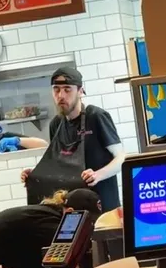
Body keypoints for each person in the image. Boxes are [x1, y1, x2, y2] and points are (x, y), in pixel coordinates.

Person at [21, 67, 124, 211]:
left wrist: (98, 175)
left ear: (80, 91)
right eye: (56, 89)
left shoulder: (96, 116)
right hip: (73, 209)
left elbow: (121, 159)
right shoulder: (56, 124)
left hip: (104, 206)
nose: (61, 95)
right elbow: (59, 168)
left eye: (67, 89)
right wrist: (37, 176)